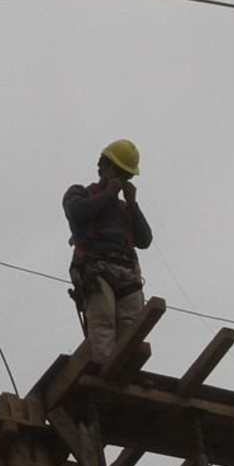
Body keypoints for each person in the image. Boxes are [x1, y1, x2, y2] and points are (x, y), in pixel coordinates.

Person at [63, 139, 153, 362]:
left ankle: (127, 373)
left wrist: (132, 204)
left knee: (131, 329)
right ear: (103, 167)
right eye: (119, 172)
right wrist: (109, 194)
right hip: (96, 268)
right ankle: (105, 369)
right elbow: (78, 213)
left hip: (127, 272)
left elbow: (145, 239)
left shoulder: (123, 209)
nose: (121, 179)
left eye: (126, 176)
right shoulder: (80, 194)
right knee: (102, 321)